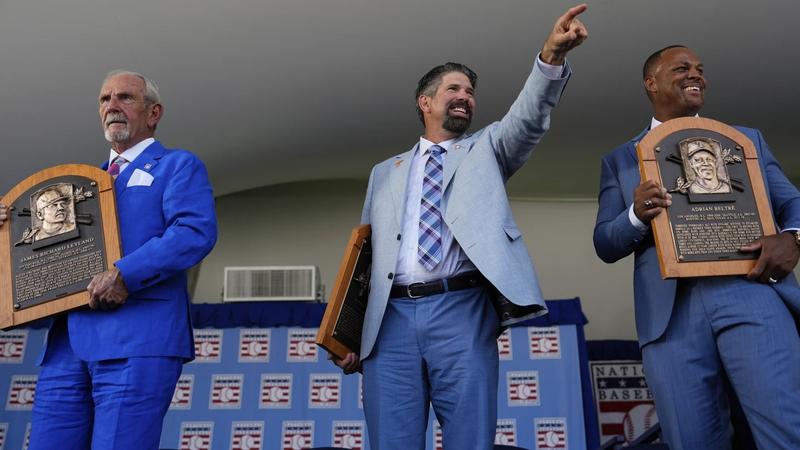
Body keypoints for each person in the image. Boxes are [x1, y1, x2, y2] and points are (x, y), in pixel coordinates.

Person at [331, 5, 588, 450]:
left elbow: (528, 118)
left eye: (470, 91)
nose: (466, 96)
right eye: (454, 88)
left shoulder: (487, 150)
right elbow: (366, 258)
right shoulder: (384, 173)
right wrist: (348, 332)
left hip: (462, 309)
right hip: (388, 321)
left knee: (470, 437)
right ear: (425, 101)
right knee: (391, 440)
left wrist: (550, 57)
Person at [593, 45, 800, 449]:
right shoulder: (620, 159)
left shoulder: (744, 140)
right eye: (682, 68)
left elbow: (793, 203)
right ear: (651, 83)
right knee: (690, 439)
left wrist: (793, 236)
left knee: (786, 426)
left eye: (701, 70)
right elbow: (605, 242)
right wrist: (635, 215)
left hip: (750, 288)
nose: (696, 75)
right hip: (670, 314)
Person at [0, 70, 218, 450]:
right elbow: (40, 254)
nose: (112, 107)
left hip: (137, 339)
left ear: (154, 113)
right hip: (67, 345)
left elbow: (193, 233)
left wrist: (124, 274)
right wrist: (7, 229)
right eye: (105, 99)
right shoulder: (74, 186)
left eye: (125, 98)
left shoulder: (177, 166)